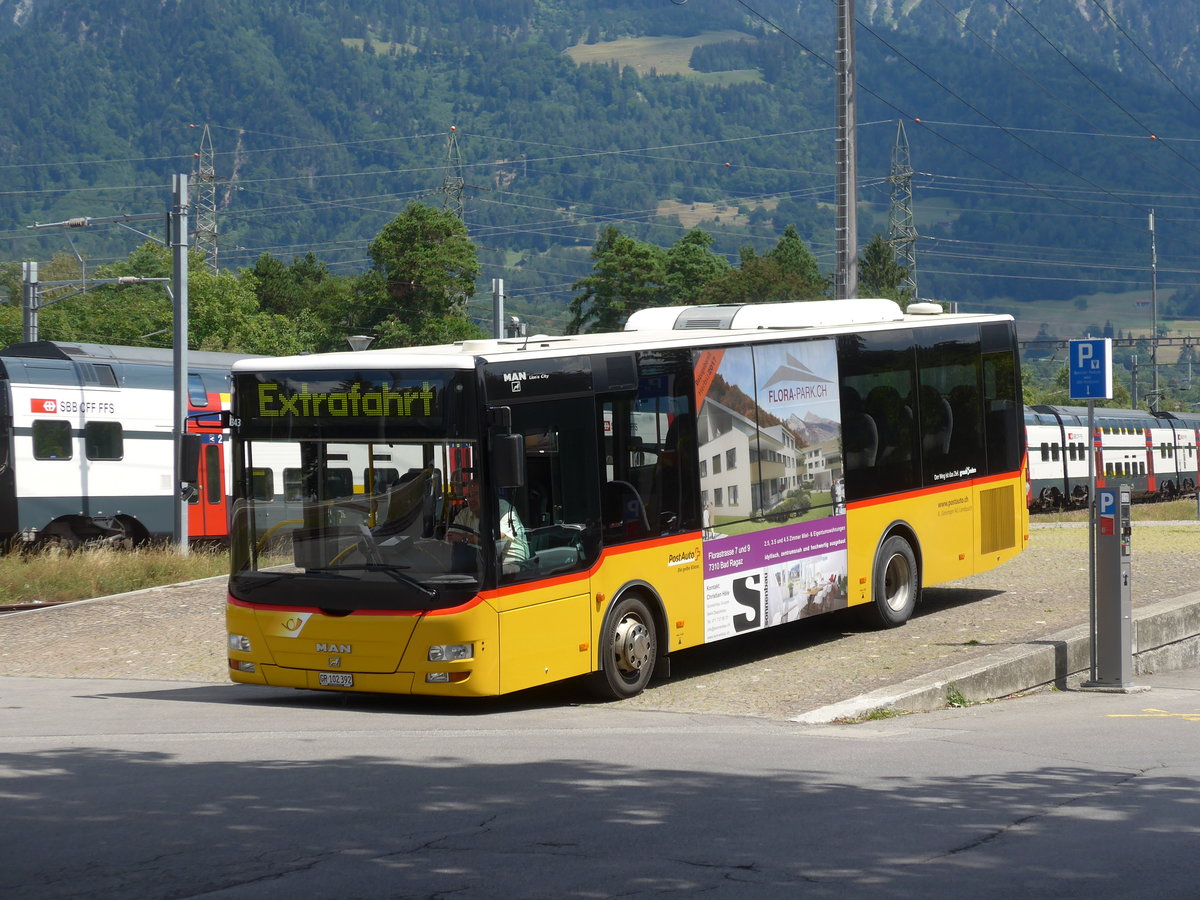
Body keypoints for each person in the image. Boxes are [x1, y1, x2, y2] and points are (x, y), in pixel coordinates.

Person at [447, 478, 529, 566]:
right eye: (468, 495)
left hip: (513, 564)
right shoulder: (464, 513)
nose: (471, 499)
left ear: (486, 495)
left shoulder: (501, 507)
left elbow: (496, 537)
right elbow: (450, 537)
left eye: (475, 494)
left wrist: (463, 538)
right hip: (483, 565)